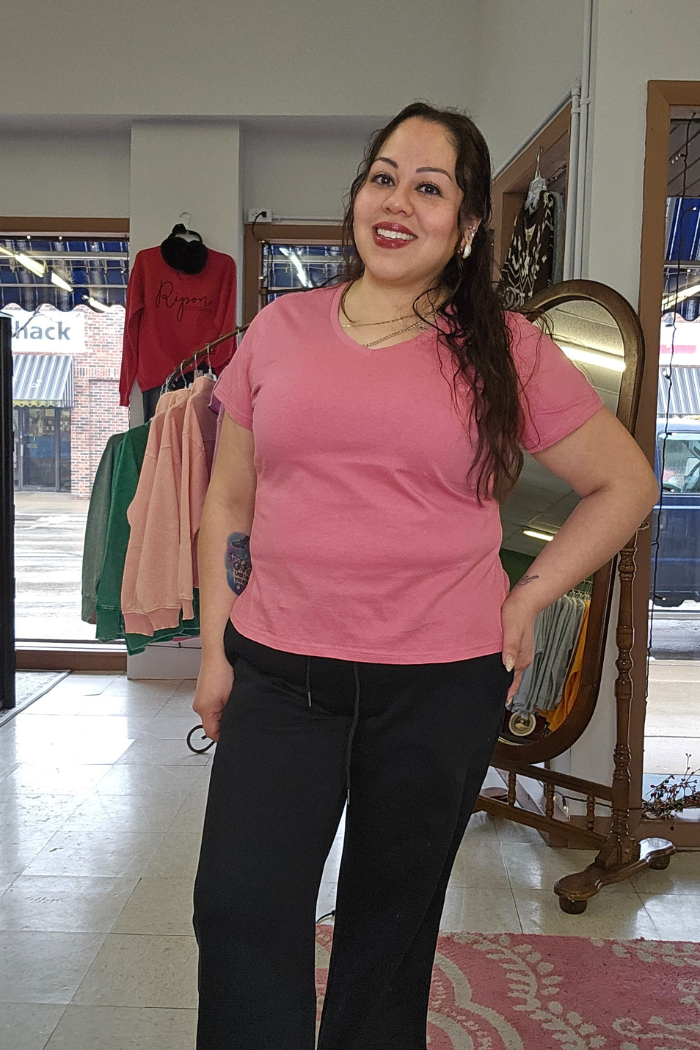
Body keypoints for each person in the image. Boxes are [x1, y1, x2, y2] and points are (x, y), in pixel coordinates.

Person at [191, 101, 659, 1050]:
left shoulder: (510, 351)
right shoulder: (279, 330)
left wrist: (529, 591)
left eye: (430, 186)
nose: (398, 201)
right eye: (383, 177)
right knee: (238, 906)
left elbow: (626, 484)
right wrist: (214, 650)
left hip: (440, 685)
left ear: (470, 224)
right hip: (281, 675)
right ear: (359, 196)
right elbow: (228, 503)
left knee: (389, 930)